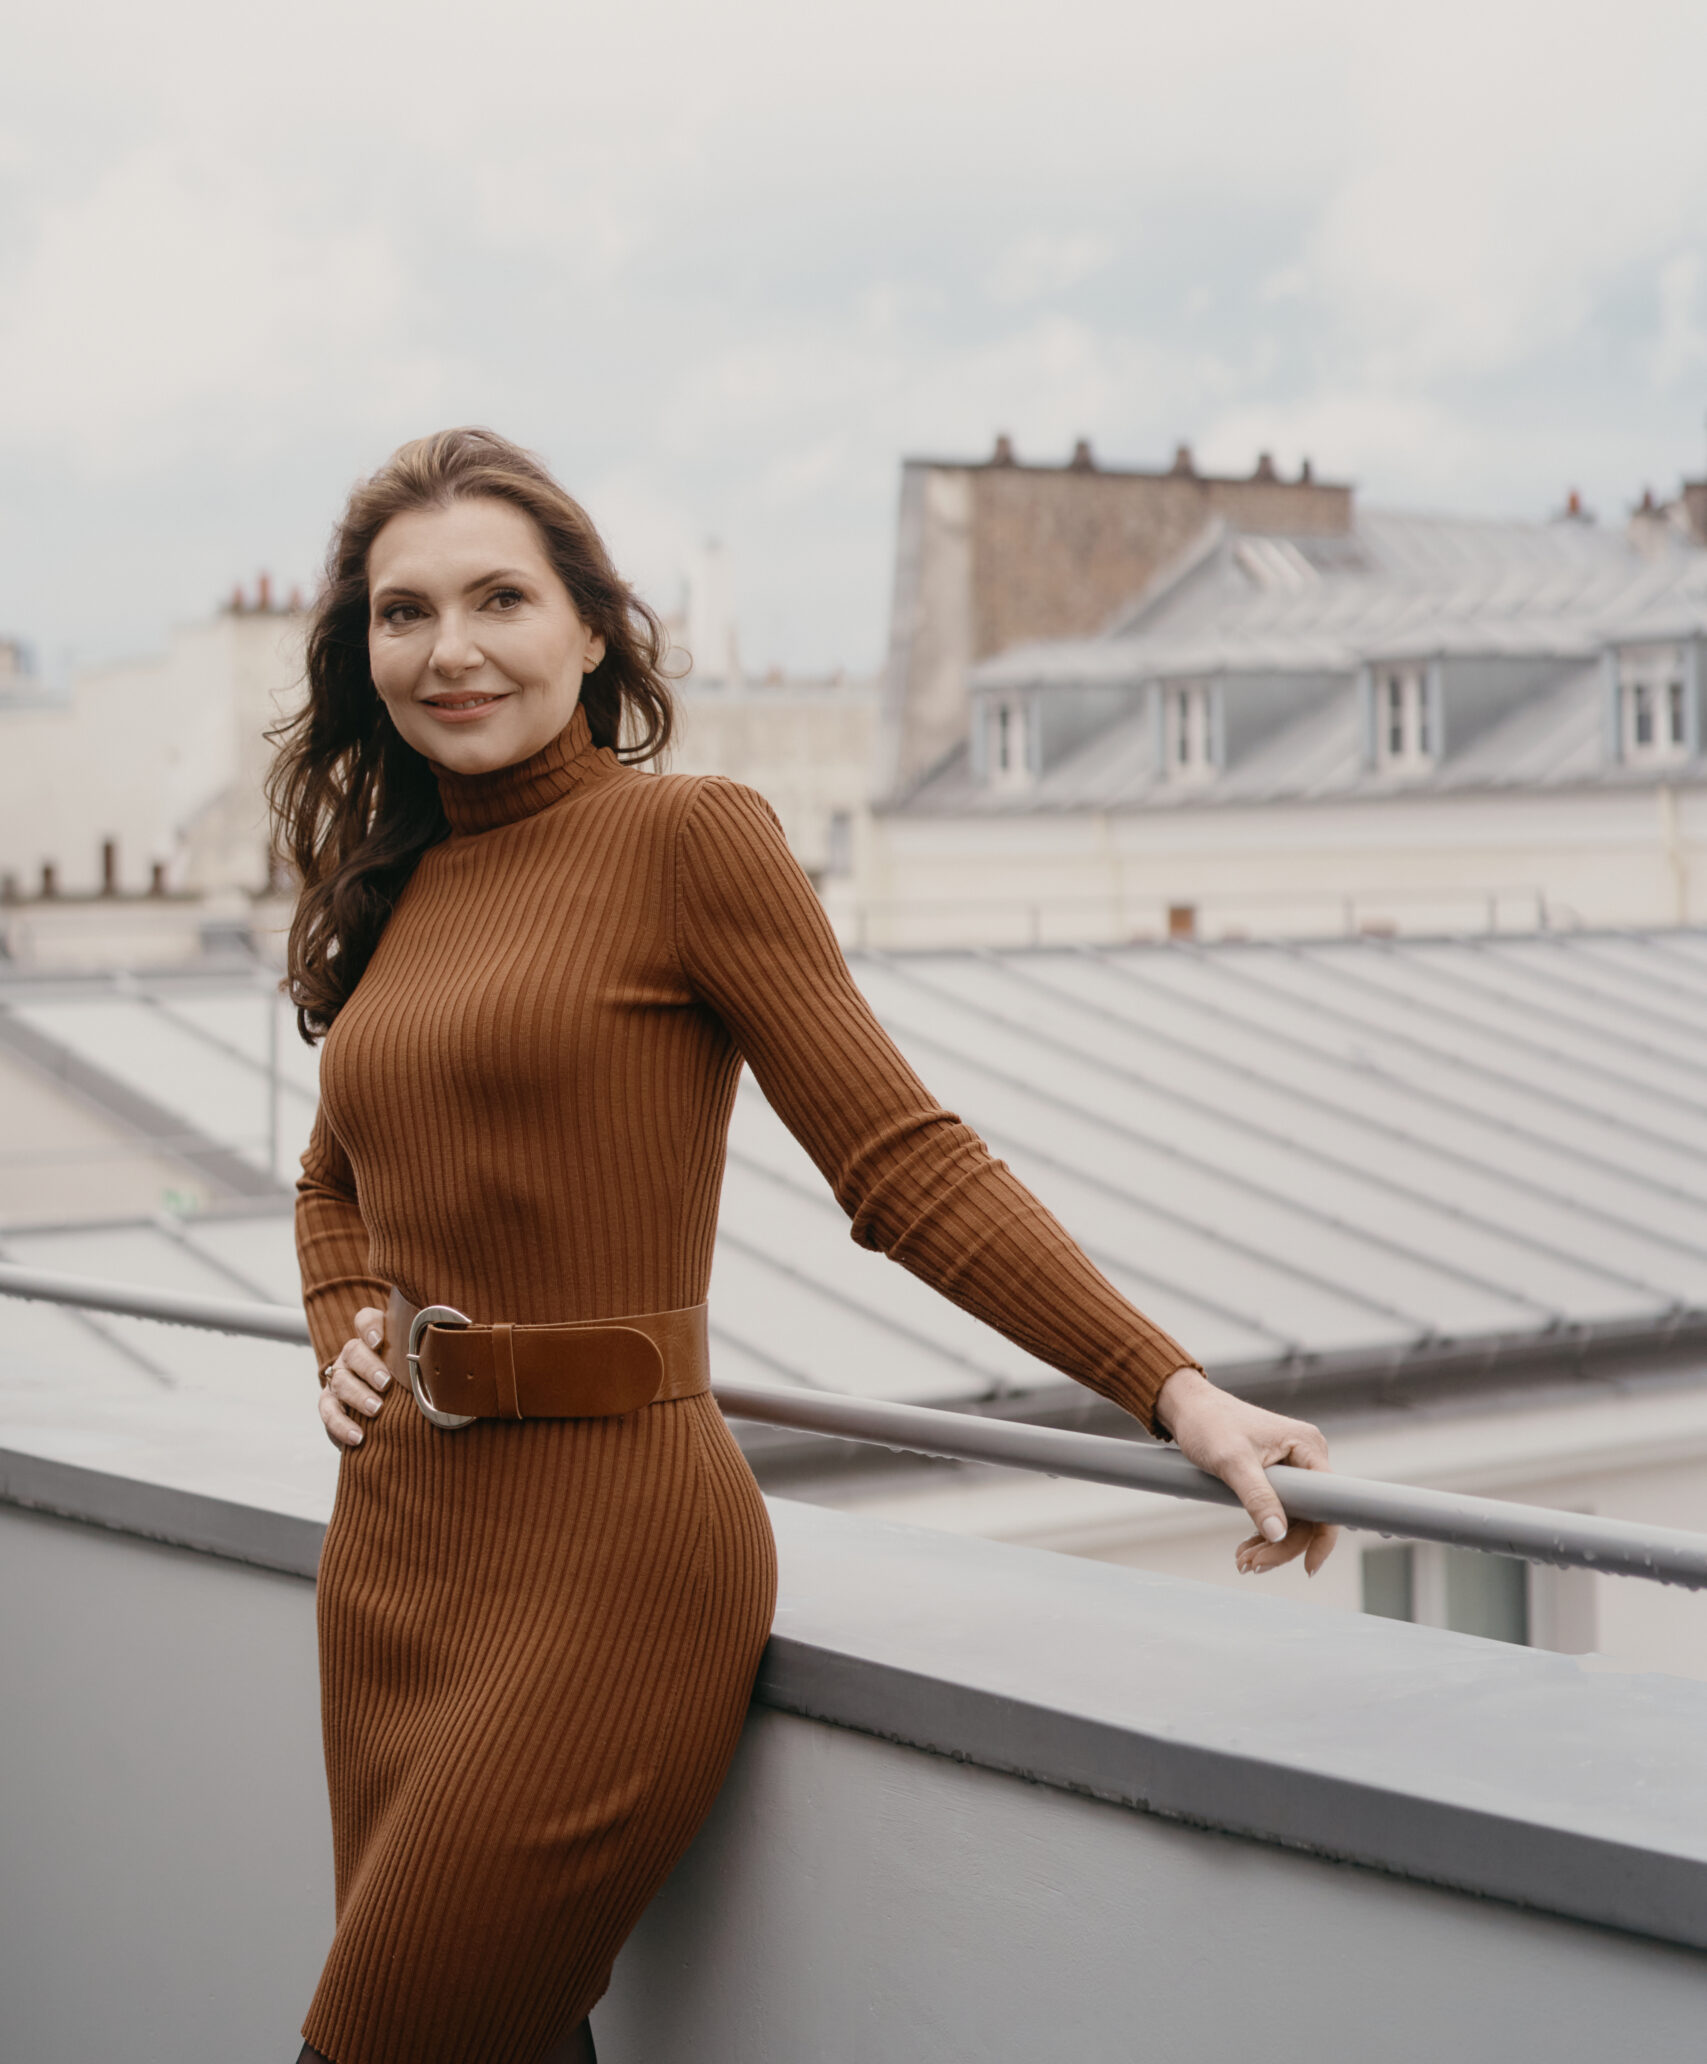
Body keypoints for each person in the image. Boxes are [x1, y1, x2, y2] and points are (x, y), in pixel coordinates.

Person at [274, 425, 1334, 2064]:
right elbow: (334, 1171)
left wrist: (1171, 1390)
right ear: (365, 653)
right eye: (404, 614)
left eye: (501, 598)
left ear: (592, 628)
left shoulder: (690, 840)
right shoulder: (400, 881)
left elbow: (901, 1164)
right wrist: (349, 1313)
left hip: (617, 1563)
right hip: (394, 1559)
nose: (453, 648)